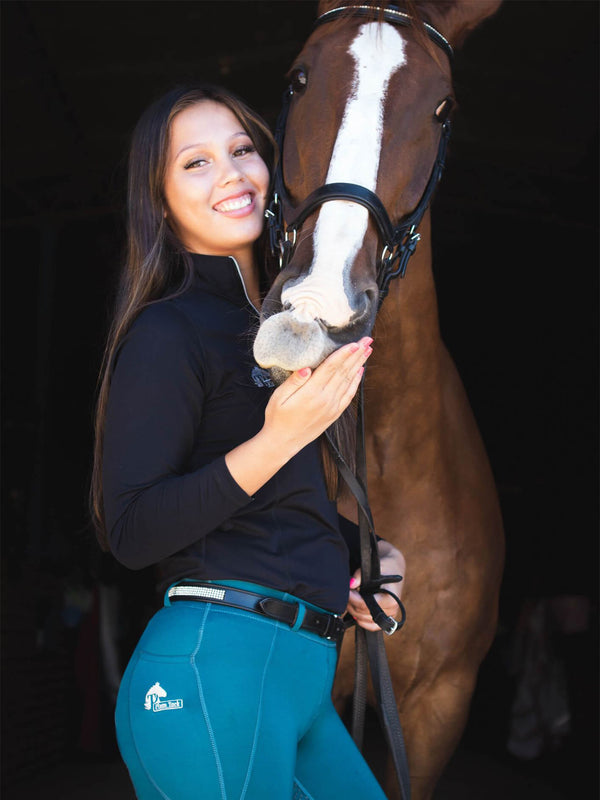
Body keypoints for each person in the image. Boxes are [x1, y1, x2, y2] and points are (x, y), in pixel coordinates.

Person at [91, 84, 405, 800]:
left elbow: (272, 506)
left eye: (240, 150)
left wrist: (367, 553)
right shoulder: (165, 331)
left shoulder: (272, 329)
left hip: (300, 678)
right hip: (212, 671)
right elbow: (133, 529)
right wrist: (282, 435)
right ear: (159, 201)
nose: (231, 173)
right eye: (194, 163)